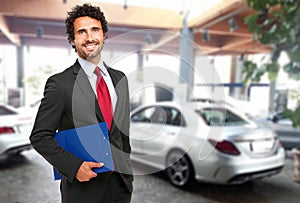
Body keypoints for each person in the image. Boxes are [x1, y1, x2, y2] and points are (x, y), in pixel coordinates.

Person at [30, 3, 133, 203]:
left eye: (95, 30)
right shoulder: (60, 83)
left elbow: (122, 132)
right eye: (81, 32)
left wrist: (126, 168)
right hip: (83, 191)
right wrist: (74, 167)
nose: (89, 37)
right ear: (72, 40)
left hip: (120, 187)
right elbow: (40, 136)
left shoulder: (120, 79)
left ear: (104, 35)